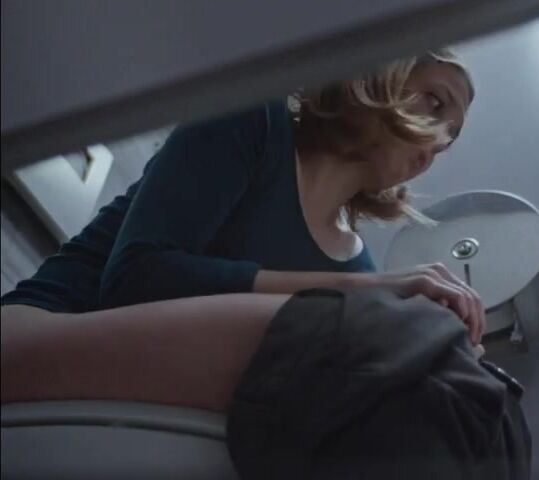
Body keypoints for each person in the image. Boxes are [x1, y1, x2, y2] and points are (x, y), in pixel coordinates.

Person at [1, 48, 484, 412]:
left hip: (146, 407)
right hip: (39, 335)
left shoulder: (359, 269)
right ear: (383, 71)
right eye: (435, 102)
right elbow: (135, 280)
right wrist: (358, 295)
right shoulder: (252, 117)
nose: (438, 141)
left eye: (452, 137)